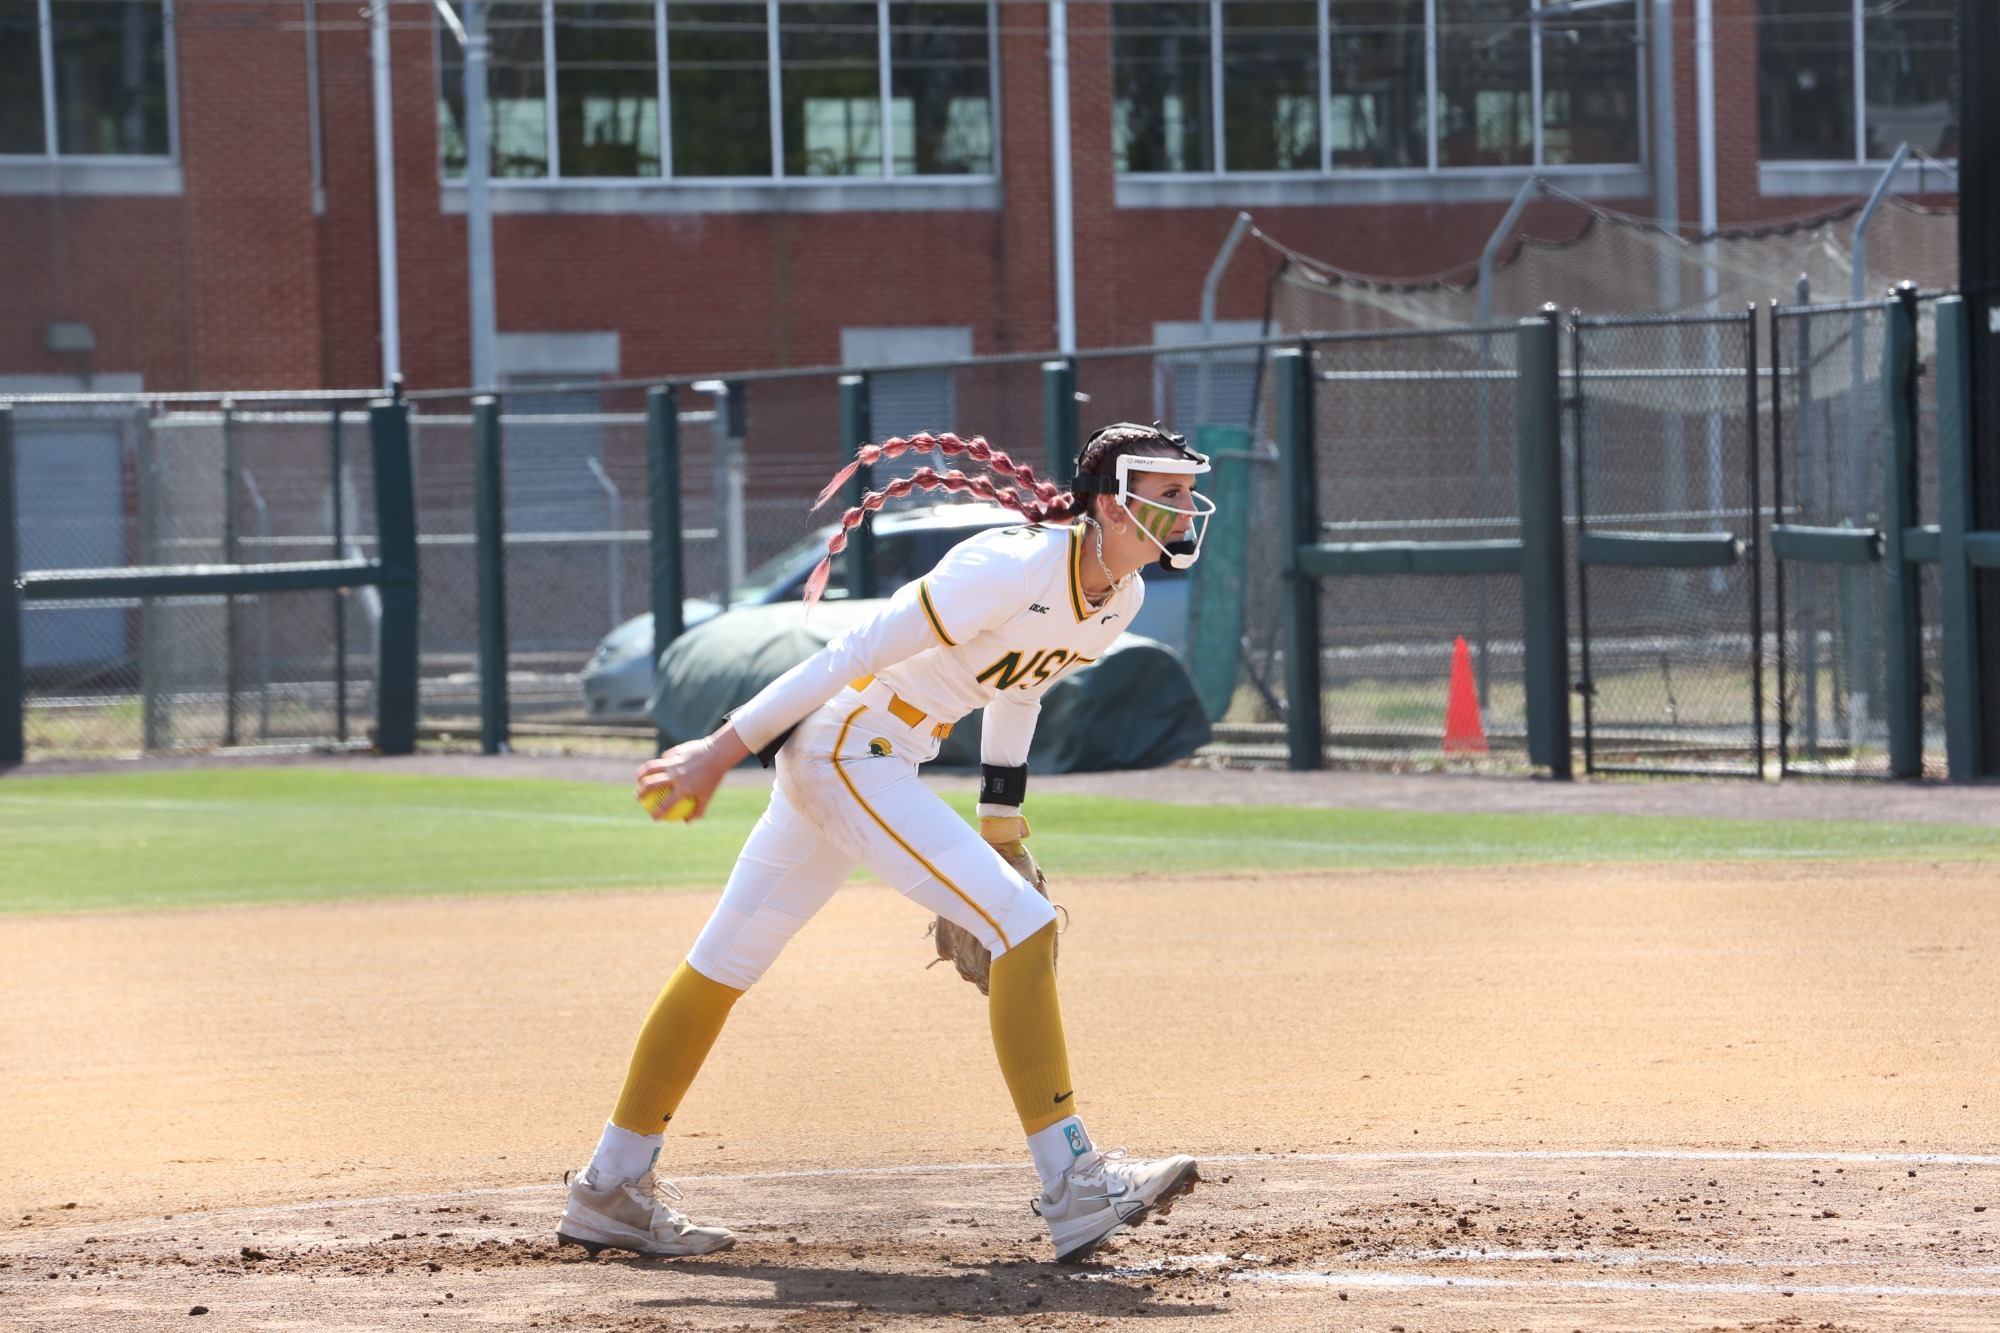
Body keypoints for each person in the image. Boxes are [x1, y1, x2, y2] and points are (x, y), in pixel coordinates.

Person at [556, 422, 1218, 1264]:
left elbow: (1021, 692)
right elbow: (855, 648)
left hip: (868, 753)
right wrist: (718, 750)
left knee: (725, 961)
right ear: (1110, 505)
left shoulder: (1119, 597)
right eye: (1167, 493)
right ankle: (1075, 1183)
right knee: (1023, 925)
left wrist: (1002, 828)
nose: (1186, 508)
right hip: (848, 747)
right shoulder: (1012, 564)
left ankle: (611, 1184)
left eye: (1186, 492)